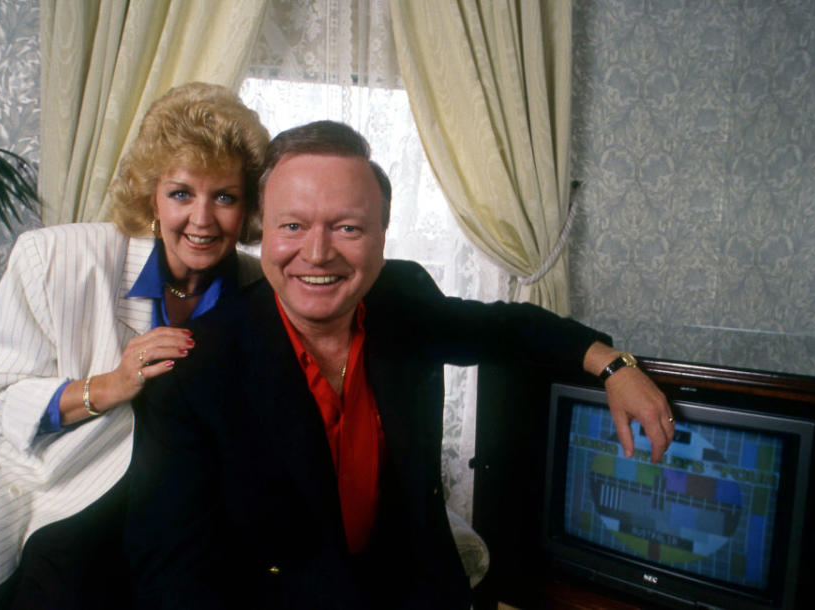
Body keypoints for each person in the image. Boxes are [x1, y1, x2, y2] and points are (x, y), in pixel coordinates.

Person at [125, 120, 673, 608]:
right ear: (261, 233)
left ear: (382, 241)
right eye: (292, 226)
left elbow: (508, 328)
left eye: (348, 228)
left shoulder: (402, 297)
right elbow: (172, 575)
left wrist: (612, 364)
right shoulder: (194, 367)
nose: (317, 254)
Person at [0, 82, 270, 610]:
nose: (203, 219)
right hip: (52, 485)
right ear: (151, 197)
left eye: (225, 197)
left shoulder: (258, 287)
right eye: (182, 193)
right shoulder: (58, 259)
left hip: (177, 508)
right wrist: (113, 383)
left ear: (249, 205)